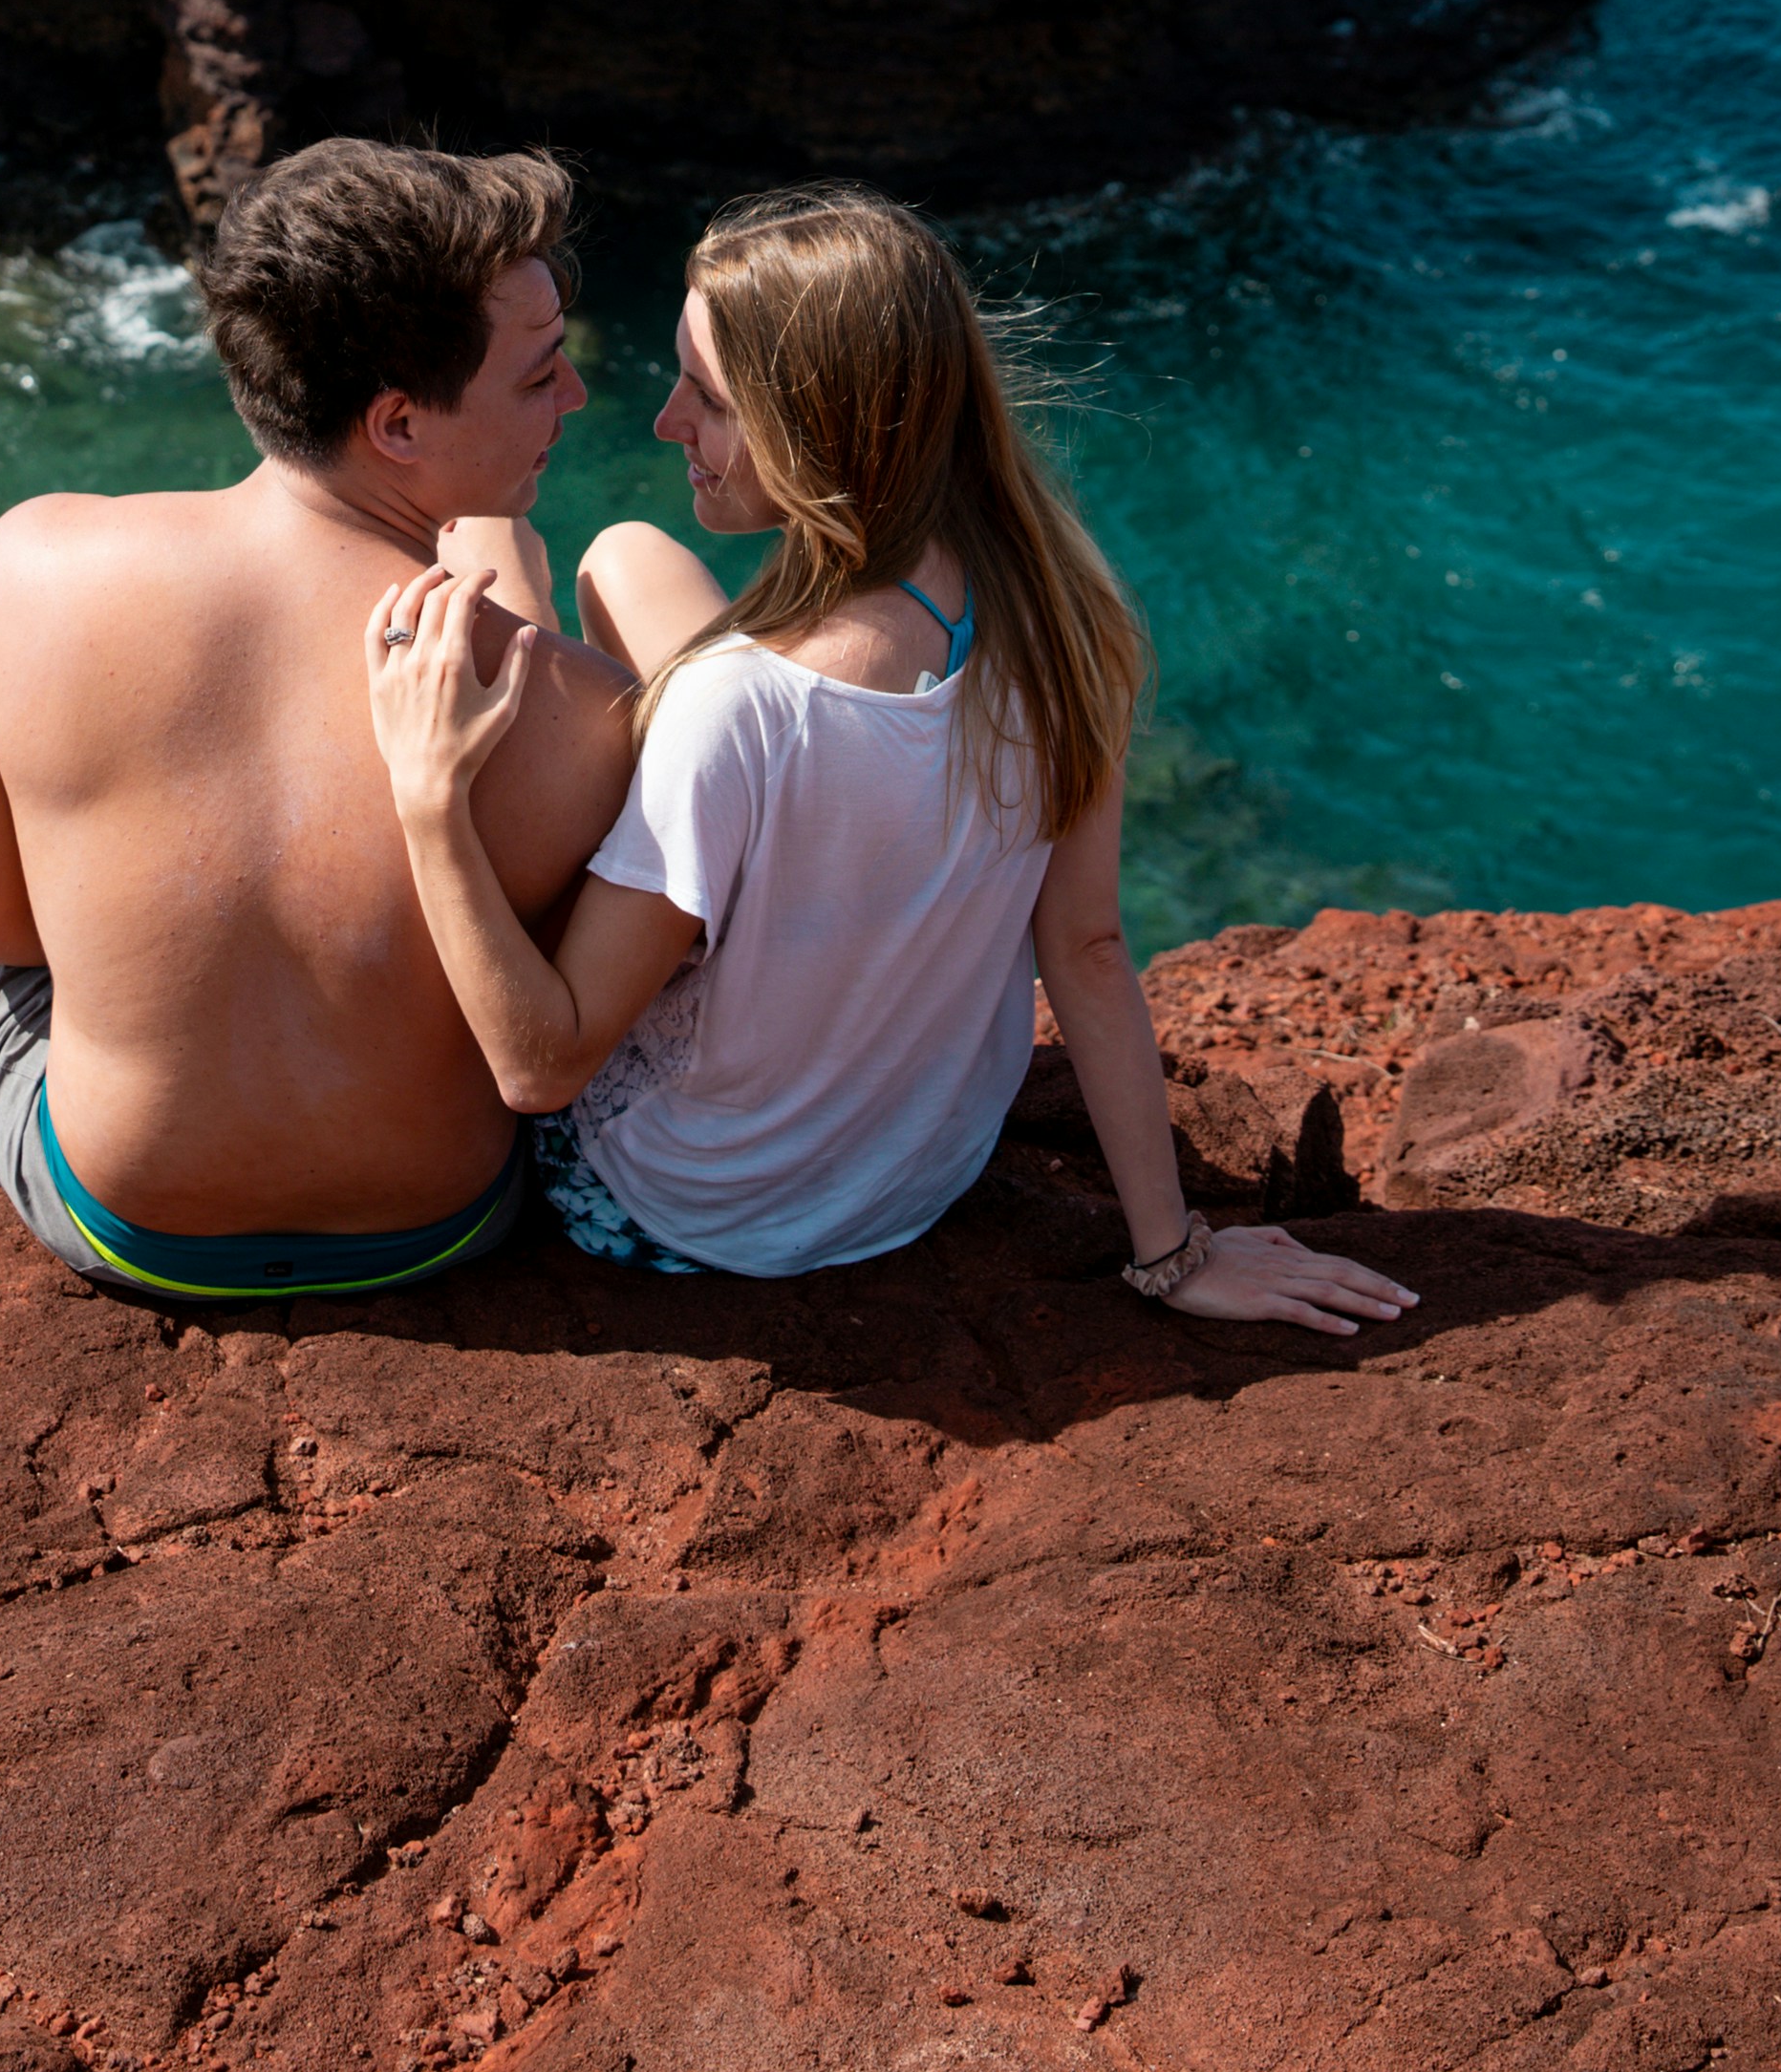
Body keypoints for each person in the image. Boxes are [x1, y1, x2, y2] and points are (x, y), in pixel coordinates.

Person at [363, 182, 1420, 1331]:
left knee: (498, 567)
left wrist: (431, 801)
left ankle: (473, 540)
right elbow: (1089, 946)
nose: (666, 421)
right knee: (621, 548)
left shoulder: (735, 710)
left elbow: (541, 1069)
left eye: (707, 399)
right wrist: (1171, 1251)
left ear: (820, 430)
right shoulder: (1063, 621)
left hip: (683, 1212)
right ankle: (492, 547)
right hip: (910, 1185)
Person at [0, 139, 640, 1305]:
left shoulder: (33, 566)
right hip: (438, 1225)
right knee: (500, 551)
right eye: (539, 376)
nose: (575, 397)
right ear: (395, 424)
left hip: (129, 1224)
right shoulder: (579, 707)